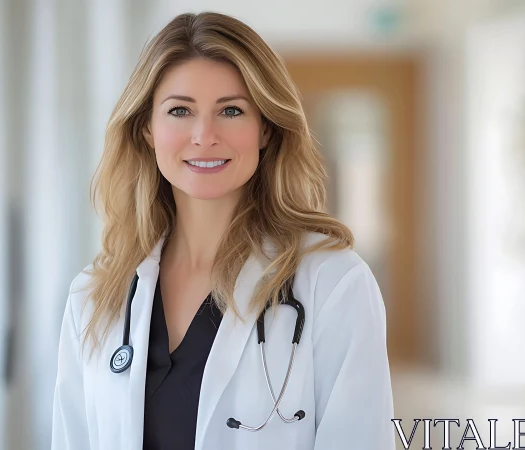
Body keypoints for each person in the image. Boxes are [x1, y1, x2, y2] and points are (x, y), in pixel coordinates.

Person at [51, 11, 395, 450]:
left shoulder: (334, 284)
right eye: (180, 111)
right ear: (147, 130)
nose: (204, 135)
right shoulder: (94, 299)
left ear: (266, 129)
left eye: (231, 110)